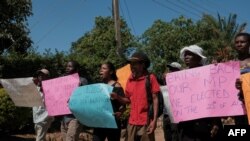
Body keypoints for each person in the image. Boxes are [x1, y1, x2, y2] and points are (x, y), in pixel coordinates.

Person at [111, 51, 160, 141]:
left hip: (146, 121)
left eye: (135, 63)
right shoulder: (130, 80)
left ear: (143, 64)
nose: (131, 66)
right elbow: (128, 100)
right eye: (131, 63)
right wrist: (117, 97)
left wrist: (154, 121)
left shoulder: (150, 78)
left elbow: (155, 99)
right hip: (132, 122)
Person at [178, 45, 223, 141]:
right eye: (185, 55)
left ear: (199, 57)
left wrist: (215, 122)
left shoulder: (210, 73)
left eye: (190, 54)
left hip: (207, 122)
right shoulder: (181, 77)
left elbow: (217, 98)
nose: (186, 56)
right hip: (188, 125)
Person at [93, 61, 125, 141]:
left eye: (104, 68)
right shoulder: (99, 86)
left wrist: (120, 112)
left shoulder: (117, 86)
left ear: (110, 72)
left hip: (112, 122)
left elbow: (123, 104)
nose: (101, 70)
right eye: (101, 68)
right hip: (99, 122)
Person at [61, 60, 88, 141]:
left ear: (76, 68)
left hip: (75, 117)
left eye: (70, 66)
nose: (67, 68)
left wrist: (79, 88)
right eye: (67, 66)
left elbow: (86, 98)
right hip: (64, 118)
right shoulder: (62, 81)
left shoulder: (82, 81)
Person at [162, 62, 182, 141]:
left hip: (176, 115)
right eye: (170, 69)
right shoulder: (165, 82)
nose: (170, 72)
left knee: (175, 136)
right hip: (166, 115)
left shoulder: (182, 84)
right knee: (167, 136)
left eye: (173, 70)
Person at [33, 69, 54, 141]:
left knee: (39, 139)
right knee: (41, 137)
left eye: (42, 75)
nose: (40, 76)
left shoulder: (52, 87)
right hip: (37, 116)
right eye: (39, 75)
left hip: (45, 117)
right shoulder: (36, 87)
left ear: (47, 77)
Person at [234, 32, 250, 125]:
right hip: (238, 107)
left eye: (242, 42)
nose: (239, 44)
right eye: (237, 42)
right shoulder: (229, 64)